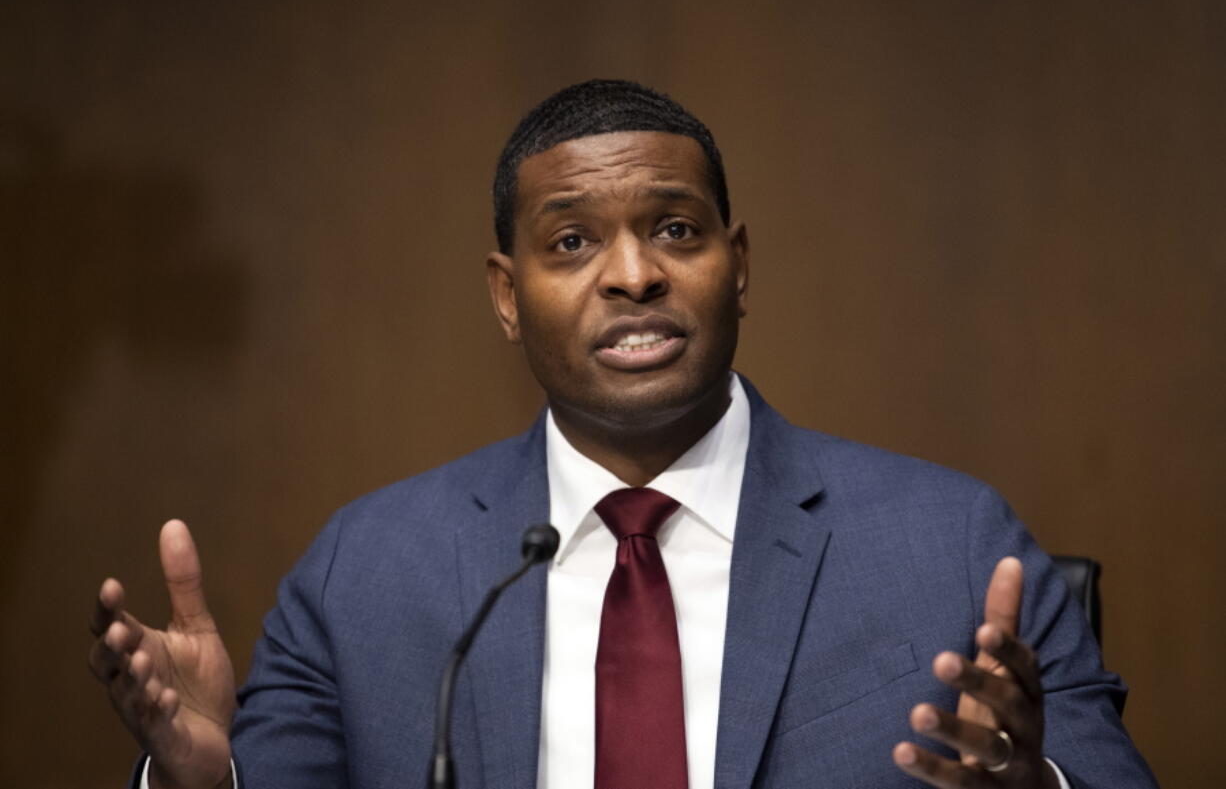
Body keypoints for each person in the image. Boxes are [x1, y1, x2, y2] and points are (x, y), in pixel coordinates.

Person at [89, 80, 1157, 789]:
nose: (634, 274)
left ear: (737, 264)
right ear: (507, 296)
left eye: (676, 230)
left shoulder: (953, 544)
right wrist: (203, 782)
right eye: (570, 241)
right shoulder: (365, 571)